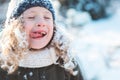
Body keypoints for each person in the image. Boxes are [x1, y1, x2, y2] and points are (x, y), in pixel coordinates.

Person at [0, 0, 84, 80]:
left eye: (47, 17)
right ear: (14, 27)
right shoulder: (4, 64)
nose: (41, 22)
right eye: (31, 17)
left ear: (54, 27)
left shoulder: (67, 62)